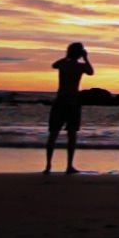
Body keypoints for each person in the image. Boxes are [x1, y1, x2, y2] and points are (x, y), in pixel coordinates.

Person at [44, 42, 92, 174]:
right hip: (73, 101)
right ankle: (69, 166)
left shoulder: (63, 64)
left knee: (53, 133)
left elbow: (54, 65)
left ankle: (48, 165)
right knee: (71, 134)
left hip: (60, 100)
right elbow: (91, 72)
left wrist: (67, 57)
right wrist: (86, 58)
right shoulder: (80, 66)